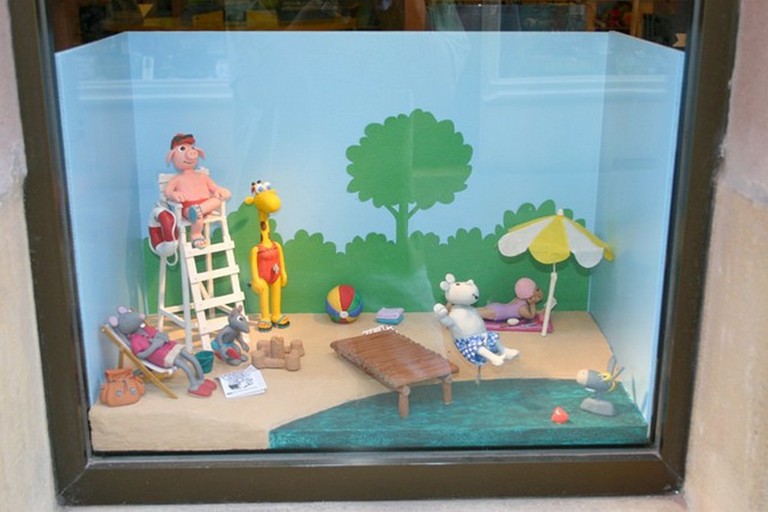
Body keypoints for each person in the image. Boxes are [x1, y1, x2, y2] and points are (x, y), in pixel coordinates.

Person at [477, 277, 543, 325]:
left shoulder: (518, 299)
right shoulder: (522, 308)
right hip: (497, 313)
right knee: (474, 314)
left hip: (497, 307)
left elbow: (531, 312)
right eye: (536, 290)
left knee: (474, 311)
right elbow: (531, 316)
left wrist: (540, 311)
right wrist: (532, 304)